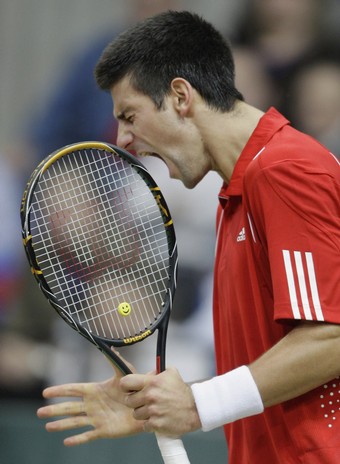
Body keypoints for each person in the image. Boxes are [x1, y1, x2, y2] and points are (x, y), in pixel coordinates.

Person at [36, 10, 340, 463]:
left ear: (180, 96)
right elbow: (271, 368)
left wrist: (198, 406)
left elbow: (331, 336)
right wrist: (164, 406)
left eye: (130, 115)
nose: (123, 138)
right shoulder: (240, 190)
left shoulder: (285, 171)